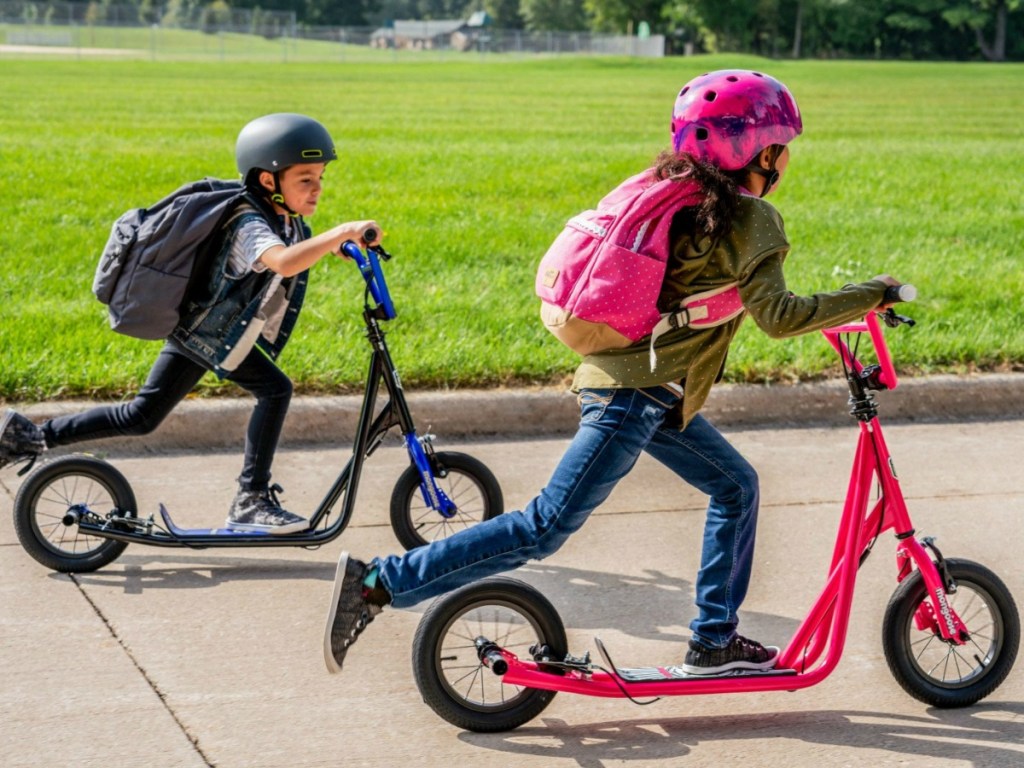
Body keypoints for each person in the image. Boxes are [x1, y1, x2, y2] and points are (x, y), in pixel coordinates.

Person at [323, 70, 906, 675]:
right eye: (781, 147)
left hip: (642, 388)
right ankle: (378, 584)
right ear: (757, 151)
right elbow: (780, 318)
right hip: (636, 395)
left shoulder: (678, 194)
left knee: (735, 486)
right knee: (542, 527)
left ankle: (713, 640)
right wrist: (872, 295)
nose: (785, 160)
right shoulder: (751, 218)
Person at [0, 113, 381, 534]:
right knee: (182, 408)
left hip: (220, 336)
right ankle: (250, 500)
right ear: (269, 181)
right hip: (204, 336)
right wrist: (339, 231)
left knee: (146, 415)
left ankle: (28, 436)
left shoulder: (283, 218)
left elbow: (293, 249)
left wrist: (335, 247)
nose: (317, 189)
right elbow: (284, 261)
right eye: (305, 179)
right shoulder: (249, 222)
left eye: (321, 177)